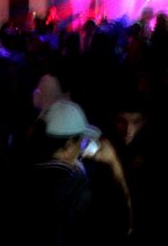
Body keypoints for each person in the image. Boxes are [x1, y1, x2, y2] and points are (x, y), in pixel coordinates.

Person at [13, 99, 131, 246]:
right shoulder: (78, 189)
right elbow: (122, 228)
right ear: (68, 145)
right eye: (81, 142)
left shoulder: (17, 176)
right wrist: (114, 165)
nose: (82, 149)